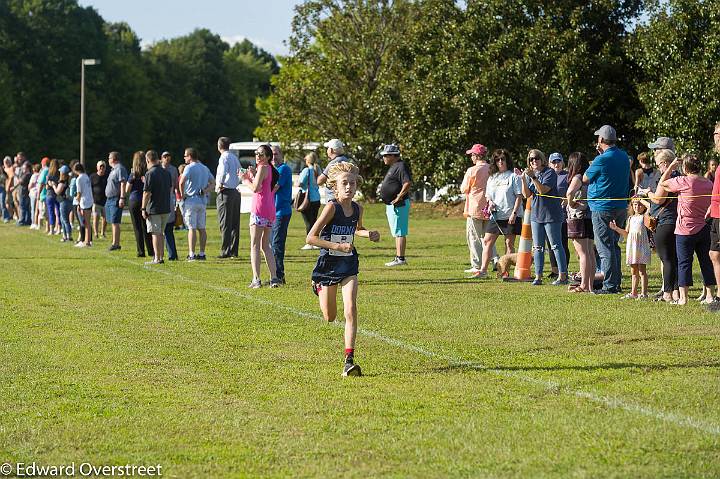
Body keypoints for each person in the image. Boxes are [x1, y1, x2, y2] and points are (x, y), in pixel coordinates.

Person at [306, 161, 380, 377]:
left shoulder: (358, 208)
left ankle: (349, 360)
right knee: (330, 317)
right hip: (328, 264)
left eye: (353, 183)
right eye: (344, 183)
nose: (349, 187)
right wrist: (337, 246)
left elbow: (357, 229)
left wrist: (369, 234)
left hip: (348, 263)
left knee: (351, 309)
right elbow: (311, 237)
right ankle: (319, 286)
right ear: (335, 188)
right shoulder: (331, 208)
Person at [662, 153, 716, 305]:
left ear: (685, 168)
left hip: (684, 230)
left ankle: (684, 298)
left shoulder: (682, 181)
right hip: (705, 227)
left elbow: (662, 184)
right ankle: (710, 296)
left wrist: (671, 167)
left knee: (684, 263)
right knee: (706, 262)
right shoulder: (708, 183)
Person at [583, 125, 631, 294]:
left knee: (604, 247)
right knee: (614, 245)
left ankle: (610, 285)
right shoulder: (624, 156)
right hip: (620, 207)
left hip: (602, 207)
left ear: (601, 140)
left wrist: (599, 157)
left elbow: (585, 178)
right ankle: (615, 283)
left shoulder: (601, 160)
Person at [521, 149, 568, 286]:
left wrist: (533, 178)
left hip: (551, 215)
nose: (533, 161)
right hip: (536, 215)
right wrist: (524, 179)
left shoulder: (549, 172)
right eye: (531, 159)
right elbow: (527, 195)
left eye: (536, 158)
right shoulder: (532, 174)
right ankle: (538, 276)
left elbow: (542, 190)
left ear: (542, 159)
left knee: (555, 245)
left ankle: (563, 275)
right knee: (538, 247)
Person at [475, 148, 522, 278]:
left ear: (507, 160)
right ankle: (483, 270)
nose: (500, 161)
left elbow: (519, 196)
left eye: (502, 159)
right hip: (495, 215)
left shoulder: (513, 176)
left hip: (510, 215)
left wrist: (514, 213)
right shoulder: (492, 177)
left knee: (509, 244)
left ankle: (505, 272)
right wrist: (490, 203)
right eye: (497, 159)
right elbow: (488, 196)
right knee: (487, 241)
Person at [241, 144, 279, 288]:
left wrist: (244, 179)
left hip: (259, 209)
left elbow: (256, 188)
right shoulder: (268, 168)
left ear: (268, 157)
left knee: (255, 245)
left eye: (261, 154)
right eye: (256, 153)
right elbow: (263, 186)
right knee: (265, 245)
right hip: (269, 210)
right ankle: (274, 278)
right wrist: (251, 175)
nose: (258, 156)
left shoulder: (263, 167)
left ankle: (256, 279)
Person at [647, 149, 679, 302]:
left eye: (659, 164)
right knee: (675, 258)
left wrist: (648, 194)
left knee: (666, 258)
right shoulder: (680, 177)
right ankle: (676, 292)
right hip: (677, 221)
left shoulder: (665, 178)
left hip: (664, 221)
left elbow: (659, 199)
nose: (658, 167)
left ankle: (667, 293)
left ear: (665, 164)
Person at [565, 152, 595, 293]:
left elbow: (570, 192)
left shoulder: (577, 177)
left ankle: (583, 285)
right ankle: (589, 285)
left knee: (582, 253)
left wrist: (570, 203)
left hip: (578, 217)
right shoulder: (588, 178)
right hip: (589, 215)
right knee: (589, 252)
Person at [610, 197, 651, 299]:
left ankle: (644, 293)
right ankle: (634, 292)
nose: (637, 206)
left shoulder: (644, 217)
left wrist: (641, 199)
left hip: (641, 246)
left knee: (642, 270)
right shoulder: (630, 218)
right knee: (633, 271)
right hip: (632, 246)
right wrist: (616, 228)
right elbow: (626, 233)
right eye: (635, 204)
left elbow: (650, 206)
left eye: (640, 204)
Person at [379, 144, 412, 267]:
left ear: (394, 155)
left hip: (399, 204)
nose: (384, 158)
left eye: (386, 155)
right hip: (392, 205)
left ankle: (400, 259)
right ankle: (398, 257)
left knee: (400, 232)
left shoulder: (401, 166)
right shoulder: (395, 166)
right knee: (397, 231)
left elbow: (407, 182)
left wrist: (399, 196)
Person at [460, 143, 491, 274]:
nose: (471, 157)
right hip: (489, 206)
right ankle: (495, 260)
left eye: (472, 154)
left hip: (474, 207)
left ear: (477, 156)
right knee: (489, 237)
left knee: (474, 237)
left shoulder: (472, 170)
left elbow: (464, 188)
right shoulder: (491, 168)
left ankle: (477, 264)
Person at [179, 147, 214, 260]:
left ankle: (192, 254)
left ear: (190, 156)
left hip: (191, 201)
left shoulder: (189, 168)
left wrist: (182, 194)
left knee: (191, 228)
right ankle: (202, 253)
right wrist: (205, 191)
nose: (184, 157)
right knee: (202, 228)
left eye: (185, 155)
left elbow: (181, 182)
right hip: (202, 201)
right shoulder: (204, 168)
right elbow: (213, 183)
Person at [141, 150, 172, 265]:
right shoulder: (166, 172)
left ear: (148, 160)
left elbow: (146, 193)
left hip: (154, 208)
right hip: (165, 207)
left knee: (155, 233)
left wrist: (143, 208)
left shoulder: (150, 173)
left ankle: (157, 258)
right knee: (161, 233)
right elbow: (169, 189)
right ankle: (161, 257)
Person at [215, 136, 241, 258]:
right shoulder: (234, 157)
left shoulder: (224, 157)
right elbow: (240, 171)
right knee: (235, 223)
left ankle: (225, 250)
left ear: (219, 146)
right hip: (235, 191)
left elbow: (222, 171)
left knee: (225, 222)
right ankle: (234, 250)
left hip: (226, 191)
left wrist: (220, 184)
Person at [271, 145, 293, 283]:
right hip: (273, 212)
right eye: (271, 154)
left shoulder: (283, 169)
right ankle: (276, 274)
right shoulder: (274, 170)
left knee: (277, 244)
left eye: (276, 154)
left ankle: (279, 275)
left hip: (282, 212)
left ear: (281, 155)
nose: (274, 157)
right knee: (273, 244)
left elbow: (273, 188)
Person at [126, 151, 154, 258]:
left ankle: (140, 251)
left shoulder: (133, 173)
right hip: (145, 201)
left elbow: (127, 189)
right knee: (147, 226)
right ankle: (151, 250)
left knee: (137, 227)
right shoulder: (148, 172)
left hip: (134, 200)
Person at [548, 152, 570, 277]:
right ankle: (554, 270)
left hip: (563, 215)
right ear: (550, 163)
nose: (556, 164)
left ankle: (563, 269)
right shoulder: (546, 175)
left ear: (562, 162)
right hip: (548, 214)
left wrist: (567, 200)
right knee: (550, 244)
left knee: (562, 242)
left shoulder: (567, 176)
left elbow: (573, 191)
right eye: (554, 162)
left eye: (558, 161)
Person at [297, 151, 322, 249]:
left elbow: (301, 183)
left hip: (307, 199)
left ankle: (310, 242)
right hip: (316, 198)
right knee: (314, 221)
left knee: (308, 222)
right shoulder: (317, 170)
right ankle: (316, 241)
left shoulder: (306, 170)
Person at [708, 121, 720, 309]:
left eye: (719, 134)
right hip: (716, 213)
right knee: (714, 254)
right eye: (715, 134)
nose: (716, 137)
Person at [105, 151, 128, 251]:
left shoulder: (120, 169)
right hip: (109, 199)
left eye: (109, 158)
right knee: (112, 221)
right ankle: (114, 242)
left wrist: (122, 198)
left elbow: (123, 183)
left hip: (116, 198)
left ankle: (116, 244)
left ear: (114, 159)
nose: (108, 160)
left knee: (115, 221)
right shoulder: (113, 170)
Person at [161, 151, 179, 261]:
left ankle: (172, 254)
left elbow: (176, 185)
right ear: (161, 158)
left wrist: (178, 200)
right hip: (161, 199)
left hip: (170, 198)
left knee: (168, 228)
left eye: (168, 156)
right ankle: (168, 253)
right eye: (165, 156)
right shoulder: (159, 169)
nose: (167, 158)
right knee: (163, 229)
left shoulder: (173, 169)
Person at [73, 162, 93, 247]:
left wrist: (77, 203)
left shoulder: (79, 179)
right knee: (86, 222)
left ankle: (87, 241)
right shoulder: (86, 176)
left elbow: (79, 193)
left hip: (84, 202)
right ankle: (86, 240)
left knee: (86, 222)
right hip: (89, 200)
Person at [55, 165, 73, 242]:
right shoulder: (69, 180)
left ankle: (68, 236)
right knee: (63, 219)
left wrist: (53, 186)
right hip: (69, 201)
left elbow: (57, 192)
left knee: (65, 220)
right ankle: (65, 236)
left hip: (63, 202)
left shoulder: (62, 182)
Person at [90, 161, 108, 239]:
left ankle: (103, 233)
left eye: (103, 166)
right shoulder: (93, 176)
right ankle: (96, 233)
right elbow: (89, 188)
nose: (102, 168)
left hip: (105, 201)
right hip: (95, 201)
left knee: (105, 218)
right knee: (96, 217)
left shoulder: (107, 177)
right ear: (97, 167)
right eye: (100, 166)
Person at [45, 159, 60, 235]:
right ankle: (59, 228)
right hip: (58, 194)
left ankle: (51, 230)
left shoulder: (49, 174)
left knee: (51, 212)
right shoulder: (59, 174)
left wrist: (50, 184)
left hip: (50, 194)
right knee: (58, 212)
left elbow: (47, 187)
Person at [29, 163, 41, 229]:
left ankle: (33, 222)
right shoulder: (40, 175)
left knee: (33, 209)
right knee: (37, 209)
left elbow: (31, 185)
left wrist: (29, 188)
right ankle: (37, 222)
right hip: (38, 192)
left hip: (33, 193)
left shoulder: (34, 175)